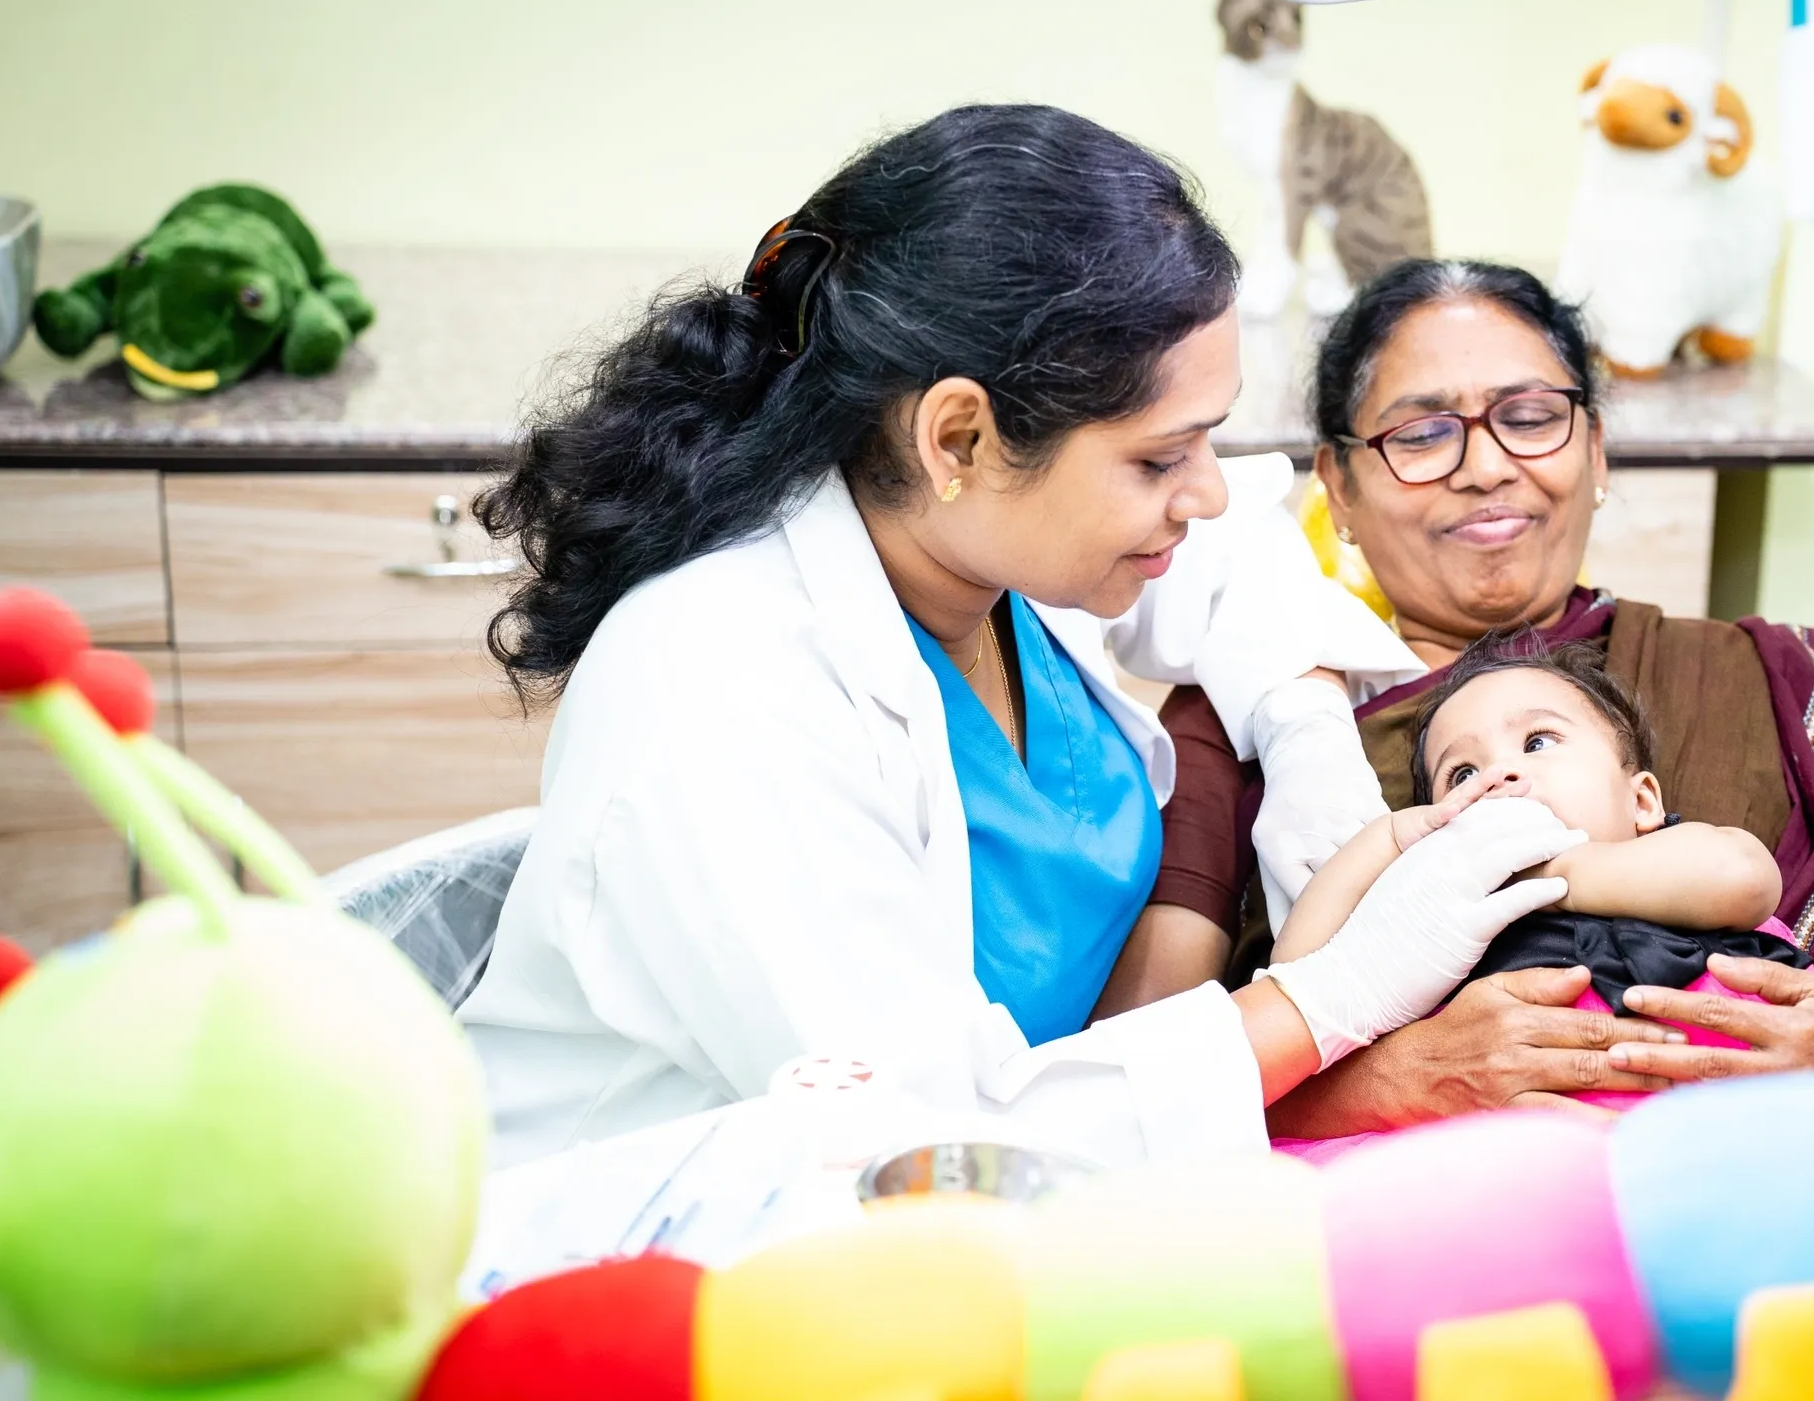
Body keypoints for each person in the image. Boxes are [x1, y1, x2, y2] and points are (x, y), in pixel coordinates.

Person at [455, 106, 1570, 1168]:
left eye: (1206, 443)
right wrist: (1333, 1003)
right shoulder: (723, 692)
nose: (1207, 495)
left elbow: (1241, 567)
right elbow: (925, 1134)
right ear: (958, 436)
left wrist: (1307, 732)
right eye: (1158, 458)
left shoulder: (982, 550)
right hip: (681, 1256)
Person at [1111, 258, 1814, 1137]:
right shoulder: (1260, 714)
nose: (1486, 467)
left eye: (1529, 419)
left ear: (1593, 448)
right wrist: (1384, 1084)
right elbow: (1141, 1056)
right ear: (1338, 487)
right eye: (1421, 436)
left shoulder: (1742, 673)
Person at [1266, 636, 1813, 1115]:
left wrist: (1552, 872)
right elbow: (1297, 980)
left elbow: (1742, 877)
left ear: (1641, 801)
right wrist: (1386, 840)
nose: (1500, 774)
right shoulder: (1440, 928)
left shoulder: (1682, 856)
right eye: (1462, 774)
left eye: (1537, 742)